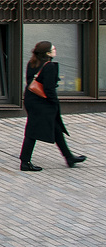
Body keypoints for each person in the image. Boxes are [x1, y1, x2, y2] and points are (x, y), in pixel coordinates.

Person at [21, 39, 87, 171]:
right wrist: (54, 104)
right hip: (43, 103)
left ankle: (69, 157)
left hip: (31, 100)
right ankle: (25, 162)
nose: (55, 50)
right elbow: (49, 89)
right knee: (32, 132)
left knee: (55, 128)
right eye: (53, 49)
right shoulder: (49, 66)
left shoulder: (32, 63)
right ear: (47, 53)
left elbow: (30, 81)